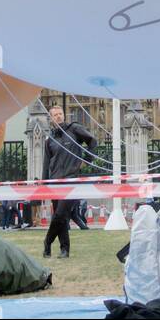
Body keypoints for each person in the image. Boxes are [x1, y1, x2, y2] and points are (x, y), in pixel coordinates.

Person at [41, 105, 96, 258]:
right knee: (62, 217)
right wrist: (45, 183)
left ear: (64, 115)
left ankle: (47, 241)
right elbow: (46, 163)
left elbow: (93, 142)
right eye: (55, 115)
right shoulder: (49, 139)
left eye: (60, 114)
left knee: (60, 214)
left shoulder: (74, 129)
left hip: (72, 179)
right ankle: (64, 250)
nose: (58, 116)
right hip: (54, 182)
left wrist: (87, 160)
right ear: (51, 119)